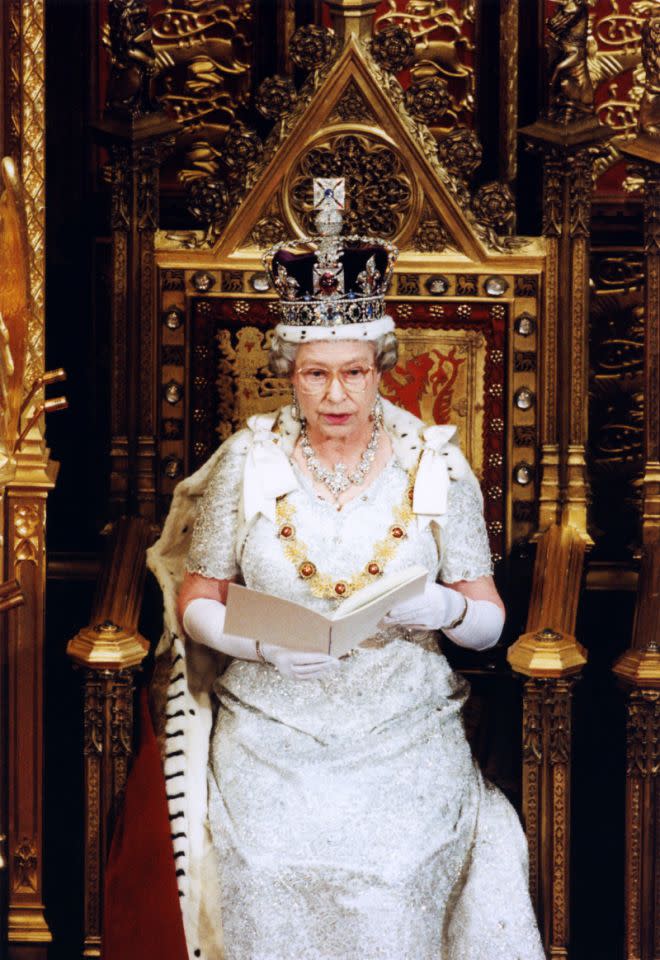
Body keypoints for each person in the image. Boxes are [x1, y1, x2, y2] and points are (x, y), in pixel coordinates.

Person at [146, 179, 545, 960]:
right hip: (269, 727)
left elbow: (489, 619)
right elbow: (197, 598)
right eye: (315, 373)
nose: (336, 394)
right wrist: (262, 647)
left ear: (381, 367)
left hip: (404, 729)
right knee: (262, 864)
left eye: (354, 372)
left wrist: (446, 611)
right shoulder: (247, 461)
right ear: (287, 370)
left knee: (394, 875)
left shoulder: (437, 466)